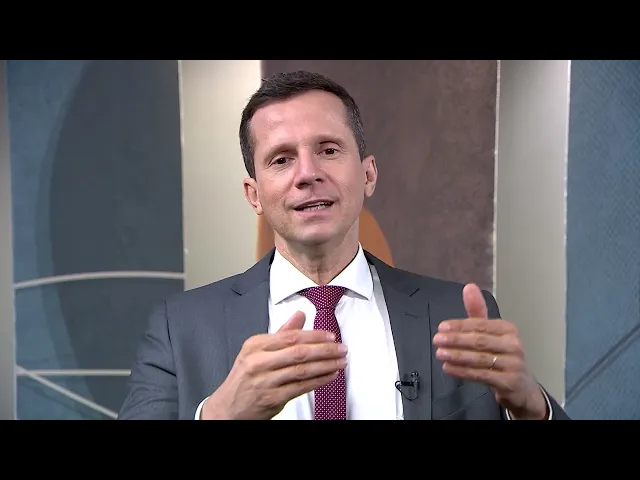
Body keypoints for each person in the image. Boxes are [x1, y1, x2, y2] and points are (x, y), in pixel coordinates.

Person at [118, 70, 570, 420]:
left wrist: (531, 406)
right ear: (254, 195)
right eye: (281, 159)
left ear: (368, 174)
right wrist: (219, 414)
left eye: (329, 150)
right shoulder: (180, 329)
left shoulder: (457, 316)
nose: (307, 173)